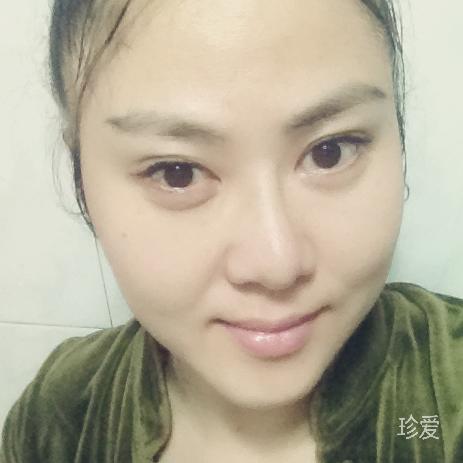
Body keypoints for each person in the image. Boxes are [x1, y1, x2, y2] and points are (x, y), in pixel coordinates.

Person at [1, 0, 462, 462]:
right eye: (177, 172)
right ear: (82, 178)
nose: (276, 265)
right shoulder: (61, 416)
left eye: (331, 152)